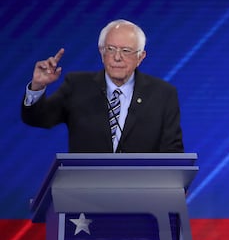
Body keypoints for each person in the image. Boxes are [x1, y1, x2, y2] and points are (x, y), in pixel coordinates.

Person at [21, 19, 184, 153]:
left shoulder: (163, 94)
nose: (117, 57)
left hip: (141, 188)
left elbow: (173, 151)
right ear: (101, 53)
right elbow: (39, 119)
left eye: (126, 51)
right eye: (111, 49)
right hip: (87, 187)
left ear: (140, 57)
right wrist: (37, 86)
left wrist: (176, 187)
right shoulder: (77, 86)